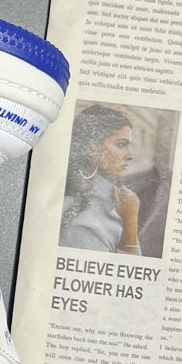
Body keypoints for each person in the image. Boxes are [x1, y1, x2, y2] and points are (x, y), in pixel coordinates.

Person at [59, 105, 141, 255]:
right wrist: (131, 224)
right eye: (121, 145)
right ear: (92, 148)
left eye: (129, 145)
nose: (130, 156)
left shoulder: (119, 204)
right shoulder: (80, 222)